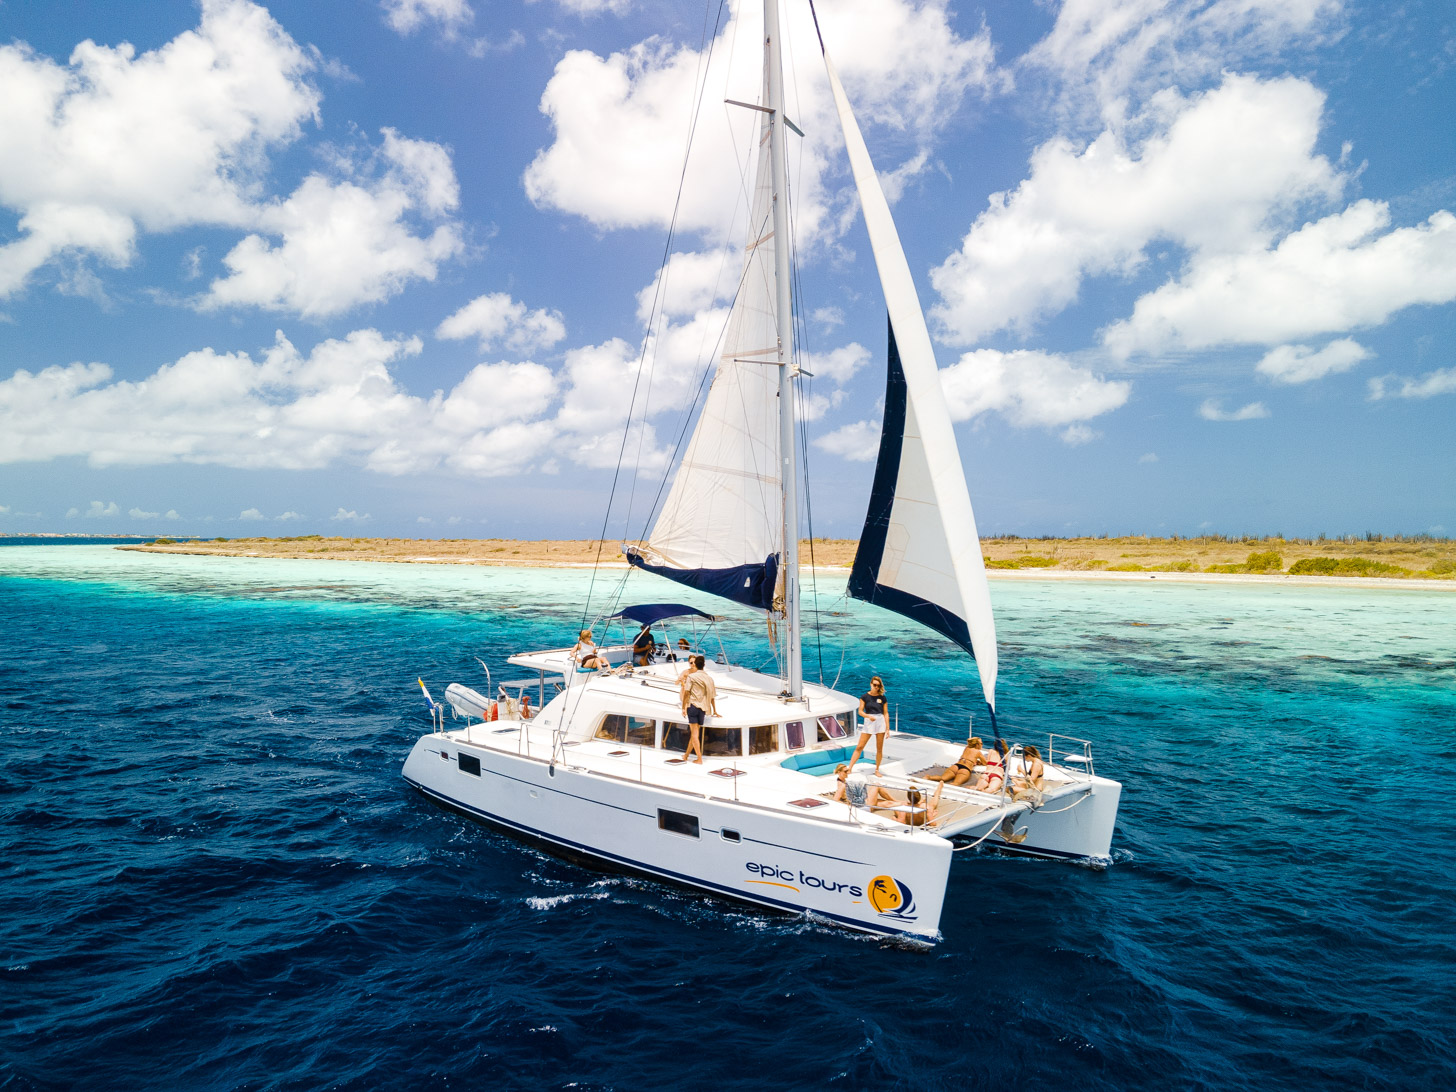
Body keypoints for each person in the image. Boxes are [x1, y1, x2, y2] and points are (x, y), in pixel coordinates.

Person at [678, 654, 717, 764]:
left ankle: (699, 758)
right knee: (694, 733)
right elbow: (712, 695)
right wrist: (714, 710)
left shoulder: (692, 677)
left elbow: (686, 693)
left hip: (693, 706)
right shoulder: (709, 678)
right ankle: (686, 755)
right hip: (703, 708)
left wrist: (683, 708)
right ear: (704, 665)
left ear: (695, 664)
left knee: (694, 734)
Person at [845, 676, 889, 774]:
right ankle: (850, 768)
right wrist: (868, 716)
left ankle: (877, 769)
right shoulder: (865, 697)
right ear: (871, 684)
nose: (876, 687)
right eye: (874, 685)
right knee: (860, 746)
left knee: (879, 748)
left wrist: (887, 728)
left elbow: (886, 713)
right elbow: (860, 711)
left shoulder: (882, 698)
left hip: (880, 721)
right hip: (869, 721)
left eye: (878, 685)